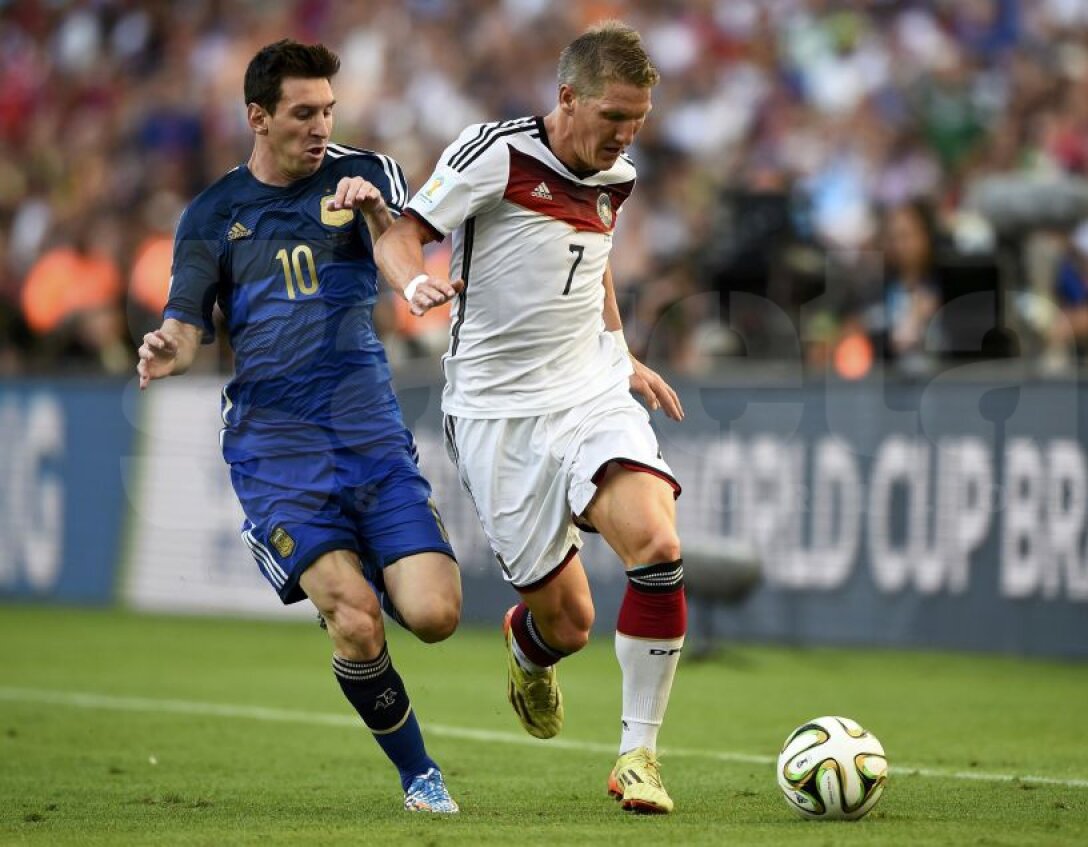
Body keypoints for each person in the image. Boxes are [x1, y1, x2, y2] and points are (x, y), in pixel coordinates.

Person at [135, 40, 461, 814]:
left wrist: (404, 264)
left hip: (367, 432)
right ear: (258, 117)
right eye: (304, 113)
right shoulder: (214, 214)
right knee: (355, 616)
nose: (321, 127)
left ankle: (368, 568)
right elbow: (186, 329)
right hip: (275, 445)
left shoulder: (365, 175)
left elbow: (390, 242)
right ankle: (420, 774)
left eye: (329, 111)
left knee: (436, 615)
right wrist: (164, 348)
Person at [375, 20, 687, 814]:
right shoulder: (497, 153)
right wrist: (414, 285)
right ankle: (527, 645)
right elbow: (403, 234)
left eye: (638, 121)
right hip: (496, 413)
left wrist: (621, 357)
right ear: (567, 98)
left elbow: (597, 262)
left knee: (655, 540)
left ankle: (638, 756)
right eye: (613, 116)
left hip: (587, 391)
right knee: (570, 620)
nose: (624, 136)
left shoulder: (618, 174)